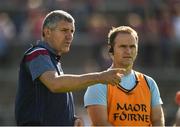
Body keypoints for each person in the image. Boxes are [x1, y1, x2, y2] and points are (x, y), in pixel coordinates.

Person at [15, 10, 125, 126]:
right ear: (47, 32)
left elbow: (51, 103)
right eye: (64, 30)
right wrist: (99, 77)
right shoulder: (38, 53)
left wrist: (71, 120)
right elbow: (55, 84)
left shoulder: (52, 60)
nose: (70, 36)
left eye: (72, 31)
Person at [84, 26, 165, 126]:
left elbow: (157, 120)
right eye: (123, 46)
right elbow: (101, 124)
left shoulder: (149, 83)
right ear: (111, 50)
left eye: (132, 46)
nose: (128, 51)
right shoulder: (98, 84)